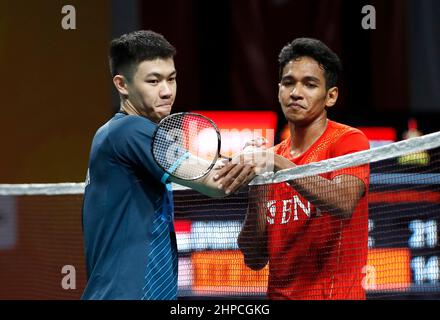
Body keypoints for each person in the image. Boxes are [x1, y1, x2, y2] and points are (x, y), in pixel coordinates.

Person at [81, 30, 257, 300]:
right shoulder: (132, 130)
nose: (166, 91)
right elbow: (215, 184)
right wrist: (260, 158)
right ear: (122, 84)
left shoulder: (109, 133)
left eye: (171, 79)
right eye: (153, 81)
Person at [220, 38, 370, 299]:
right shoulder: (271, 157)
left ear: (330, 96)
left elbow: (343, 202)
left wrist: (276, 163)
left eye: (309, 84)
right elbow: (254, 259)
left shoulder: (348, 141)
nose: (296, 93)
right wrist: (259, 184)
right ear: (278, 90)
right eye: (288, 83)